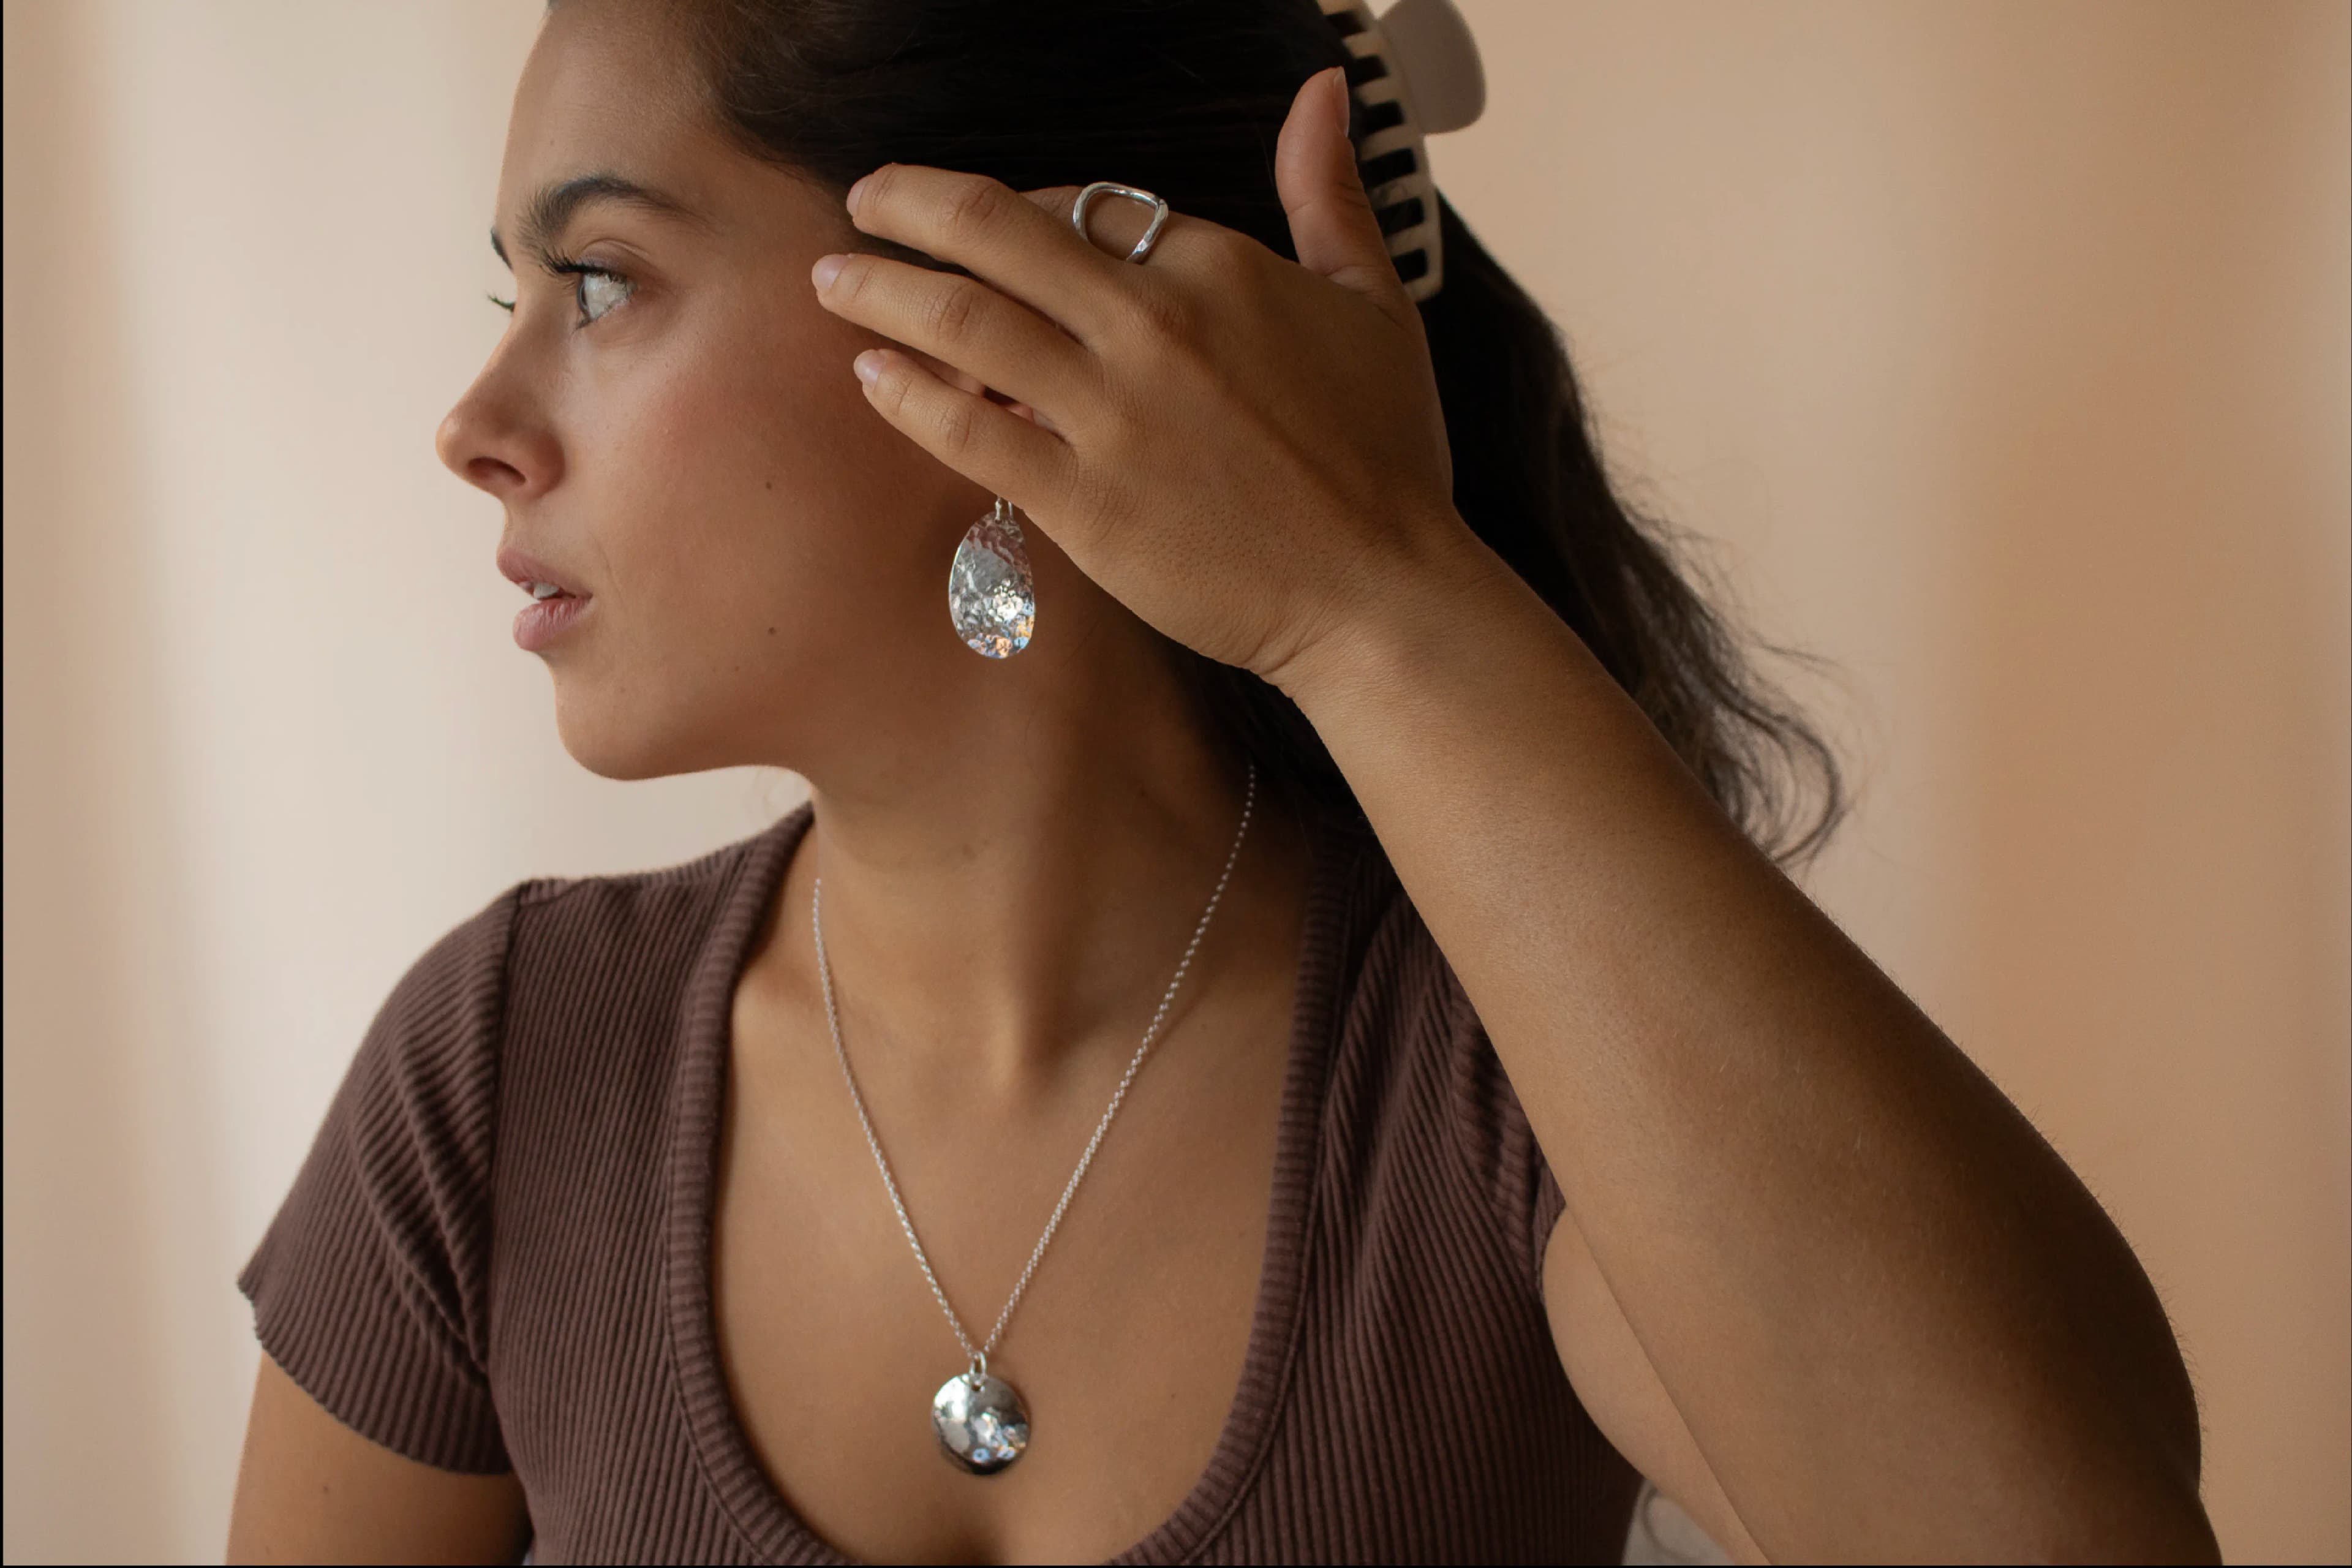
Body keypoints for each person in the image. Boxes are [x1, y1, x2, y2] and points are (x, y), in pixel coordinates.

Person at [225, 1, 2218, 1562]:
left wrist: (1376, 598)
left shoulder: (1503, 1089)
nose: (474, 428)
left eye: (597, 284)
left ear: (1012, 313)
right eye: (518, 297)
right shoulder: (500, 1075)